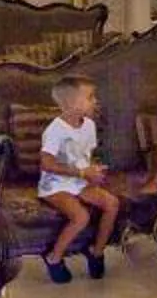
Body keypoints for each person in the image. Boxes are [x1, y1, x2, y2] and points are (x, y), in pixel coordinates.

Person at [35, 74, 121, 283]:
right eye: (90, 97)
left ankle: (96, 251)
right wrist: (82, 173)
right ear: (70, 103)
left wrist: (93, 171)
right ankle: (54, 257)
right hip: (55, 185)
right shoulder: (55, 130)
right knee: (81, 217)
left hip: (79, 181)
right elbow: (46, 164)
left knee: (112, 203)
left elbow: (85, 156)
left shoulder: (89, 125)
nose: (95, 101)